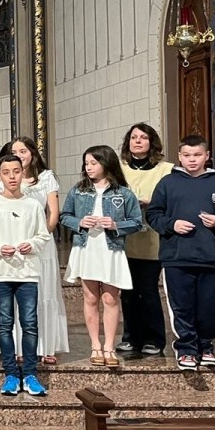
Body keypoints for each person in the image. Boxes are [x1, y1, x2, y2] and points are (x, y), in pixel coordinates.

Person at [146, 135, 215, 371]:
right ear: (179, 157)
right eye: (187, 155)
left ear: (207, 156)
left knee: (209, 308)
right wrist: (172, 225)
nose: (192, 160)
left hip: (211, 257)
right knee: (182, 306)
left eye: (197, 155)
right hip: (177, 258)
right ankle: (187, 348)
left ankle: (206, 345)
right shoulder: (168, 183)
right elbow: (153, 215)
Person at [0, 154, 52, 396]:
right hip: (0, 272)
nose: (12, 177)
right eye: (6, 172)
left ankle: (29, 373)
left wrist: (32, 244)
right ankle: (10, 374)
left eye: (16, 171)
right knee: (4, 324)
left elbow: (43, 235)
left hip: (27, 272)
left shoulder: (33, 205)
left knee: (29, 324)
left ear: (23, 174)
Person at [0, 137, 70, 365]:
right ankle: (15, 347)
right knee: (12, 298)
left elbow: (52, 214)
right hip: (10, 248)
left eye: (23, 151)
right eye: (14, 151)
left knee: (43, 292)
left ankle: (46, 346)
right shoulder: (0, 180)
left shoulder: (46, 177)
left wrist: (38, 240)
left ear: (32, 154)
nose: (19, 154)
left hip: (39, 247)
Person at [61, 145, 143, 369]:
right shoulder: (79, 190)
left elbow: (137, 222)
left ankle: (109, 346)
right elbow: (64, 215)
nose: (88, 167)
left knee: (110, 298)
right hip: (87, 248)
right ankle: (95, 345)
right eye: (86, 163)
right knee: (90, 298)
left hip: (111, 249)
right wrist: (79, 222)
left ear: (106, 164)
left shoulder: (123, 193)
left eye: (93, 163)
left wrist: (116, 225)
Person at [118, 124, 175, 356]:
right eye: (133, 137)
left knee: (148, 289)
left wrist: (151, 201)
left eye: (143, 137)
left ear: (152, 142)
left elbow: (172, 198)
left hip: (152, 238)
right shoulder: (119, 169)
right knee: (128, 291)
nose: (138, 141)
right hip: (124, 238)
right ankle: (131, 337)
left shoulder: (166, 169)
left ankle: (154, 338)